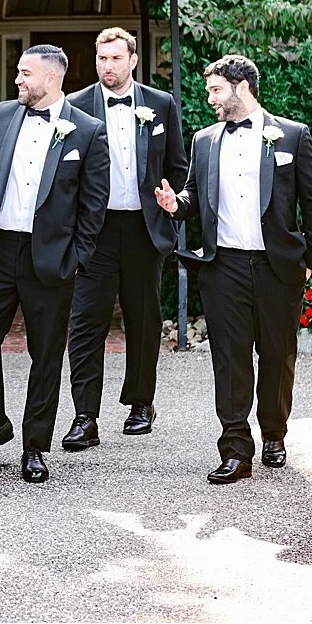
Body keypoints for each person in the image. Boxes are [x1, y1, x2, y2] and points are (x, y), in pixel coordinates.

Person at [154, 54, 312, 484]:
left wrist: (310, 262)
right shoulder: (204, 140)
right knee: (229, 359)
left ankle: (274, 433)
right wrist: (176, 205)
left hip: (277, 266)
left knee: (278, 356)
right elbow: (194, 195)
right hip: (223, 266)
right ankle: (234, 449)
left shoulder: (292, 135)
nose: (210, 98)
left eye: (216, 90)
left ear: (242, 87)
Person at [0, 45, 109, 484]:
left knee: (46, 352)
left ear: (51, 79)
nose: (18, 79)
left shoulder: (87, 130)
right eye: (18, 72)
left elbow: (94, 205)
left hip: (51, 256)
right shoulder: (1, 115)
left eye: (25, 73)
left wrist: (76, 256)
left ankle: (35, 444)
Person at [63, 27, 187, 446]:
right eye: (102, 58)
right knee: (85, 323)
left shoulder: (160, 104)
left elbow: (177, 165)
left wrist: (171, 204)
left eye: (116, 58)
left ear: (132, 60)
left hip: (143, 228)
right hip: (94, 232)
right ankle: (85, 416)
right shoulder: (75, 105)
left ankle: (140, 402)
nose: (108, 66)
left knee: (143, 320)